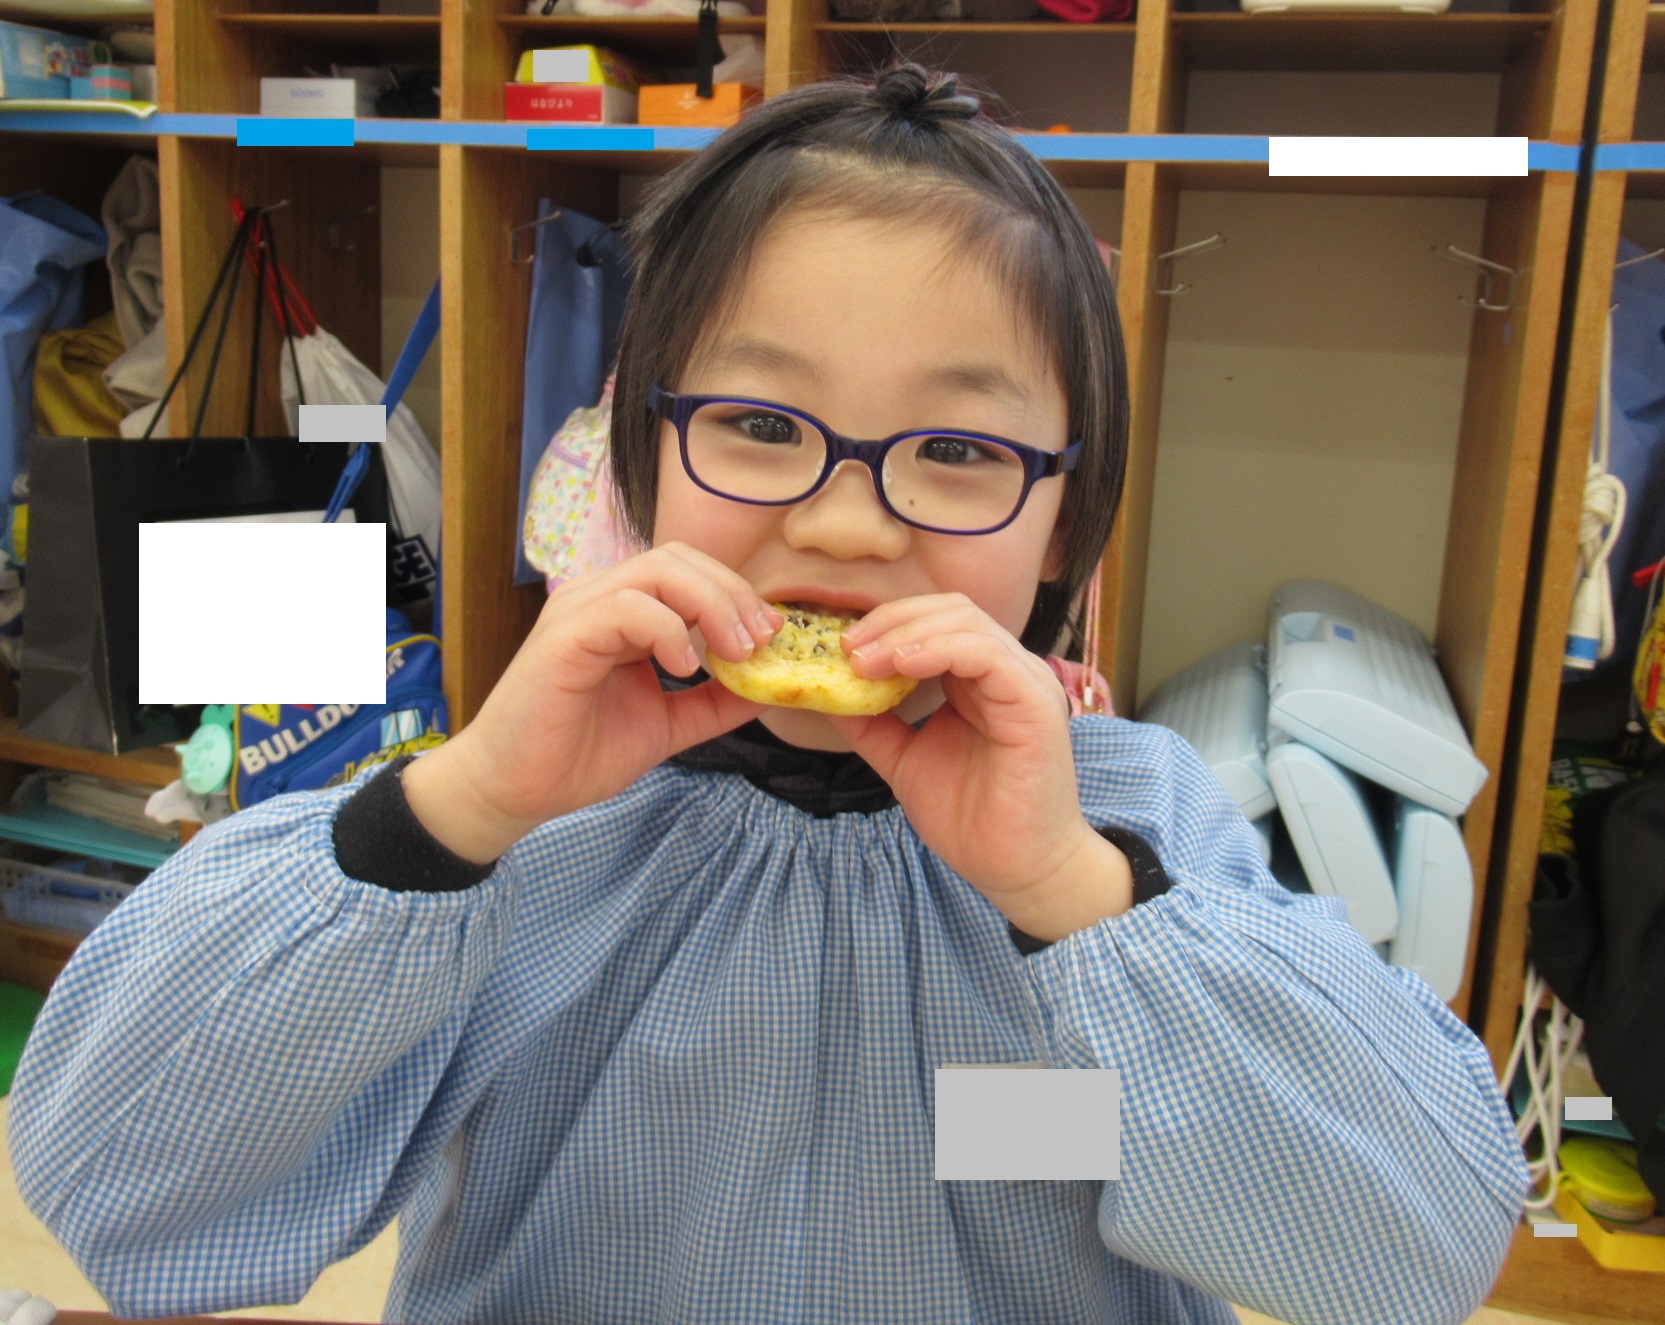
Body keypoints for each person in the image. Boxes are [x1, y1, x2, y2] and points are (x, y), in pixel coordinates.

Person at [7, 60, 1528, 1325]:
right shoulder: (516, 830)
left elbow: (1411, 1259)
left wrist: (1075, 895)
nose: (847, 525)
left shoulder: (1135, 829)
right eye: (757, 423)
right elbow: (127, 1200)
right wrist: (451, 808)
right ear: (642, 460)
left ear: (1065, 525)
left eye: (958, 451)